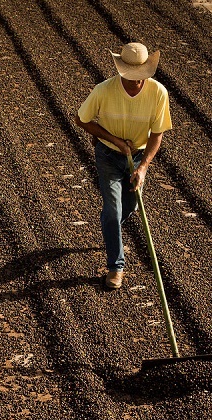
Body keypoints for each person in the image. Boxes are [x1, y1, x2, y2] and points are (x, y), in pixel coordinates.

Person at [74, 43, 172, 290]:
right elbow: (81, 119)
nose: (136, 83)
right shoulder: (104, 90)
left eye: (140, 79)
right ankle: (116, 267)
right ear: (121, 72)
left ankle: (110, 229)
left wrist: (143, 168)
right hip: (109, 155)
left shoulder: (158, 93)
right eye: (131, 79)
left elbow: (157, 134)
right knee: (113, 210)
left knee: (128, 207)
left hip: (137, 158)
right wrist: (114, 140)